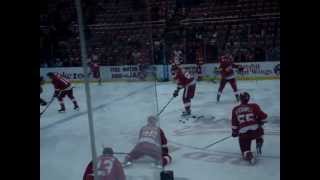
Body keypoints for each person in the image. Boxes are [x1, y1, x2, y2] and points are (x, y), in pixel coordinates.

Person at [231, 92, 268, 164]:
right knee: (260, 129)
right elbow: (264, 116)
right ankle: (259, 141)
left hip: (244, 133)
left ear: (240, 99)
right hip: (256, 131)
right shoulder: (254, 106)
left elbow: (234, 122)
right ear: (248, 98)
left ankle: (248, 154)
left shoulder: (235, 109)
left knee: (244, 147)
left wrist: (234, 131)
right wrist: (259, 120)